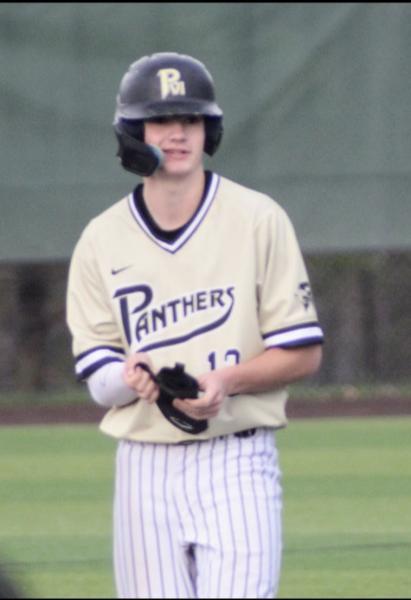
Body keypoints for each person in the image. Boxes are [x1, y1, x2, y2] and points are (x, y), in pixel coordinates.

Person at [66, 51, 324, 599]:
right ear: (134, 133)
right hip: (144, 468)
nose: (179, 132)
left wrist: (228, 380)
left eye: (192, 118)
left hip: (237, 457)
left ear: (211, 129)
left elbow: (303, 352)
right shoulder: (100, 239)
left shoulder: (258, 219)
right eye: (161, 119)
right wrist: (129, 377)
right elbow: (100, 379)